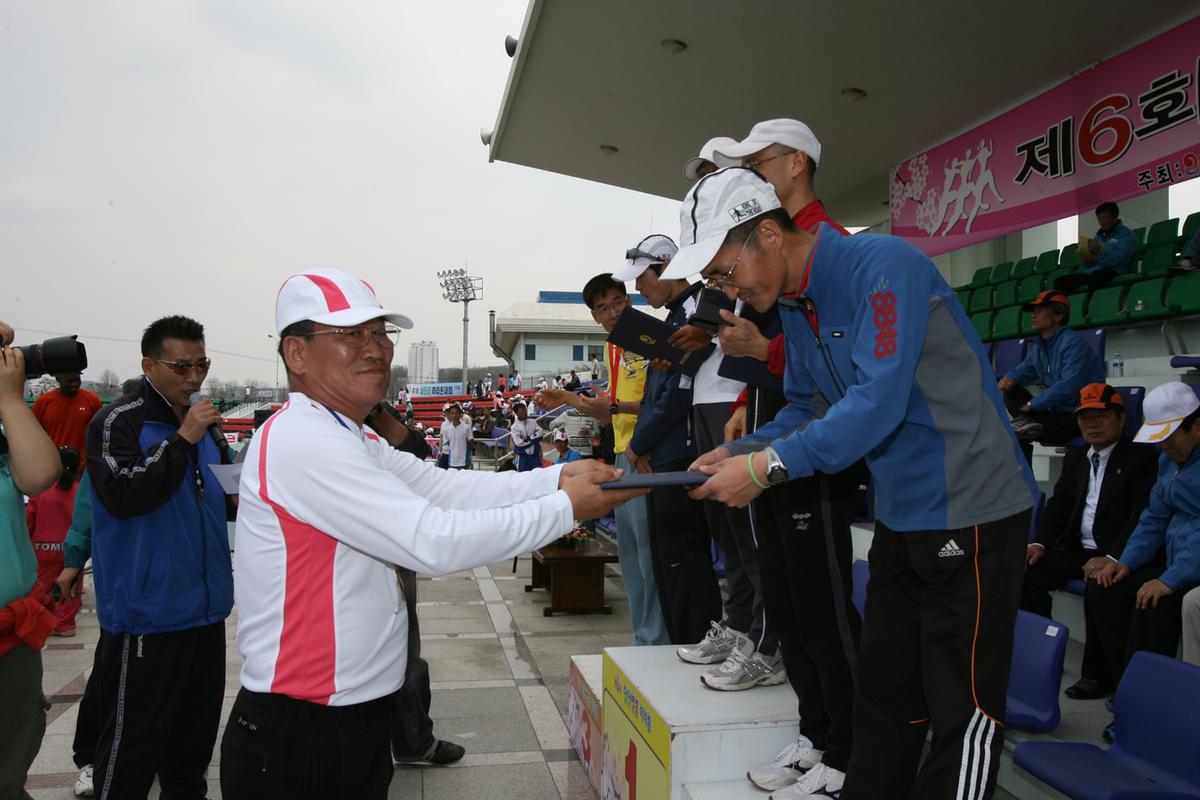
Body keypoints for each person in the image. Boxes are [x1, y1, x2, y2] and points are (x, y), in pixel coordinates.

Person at [666, 167, 1037, 799]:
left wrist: (763, 469)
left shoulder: (880, 265)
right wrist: (741, 447)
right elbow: (808, 407)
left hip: (973, 511)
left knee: (963, 710)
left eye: (726, 273)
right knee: (885, 694)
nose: (726, 291)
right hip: (905, 515)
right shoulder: (794, 303)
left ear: (768, 235)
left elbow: (875, 405)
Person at [220, 268, 639, 800]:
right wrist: (563, 507)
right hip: (304, 726)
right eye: (351, 335)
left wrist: (556, 477)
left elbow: (441, 488)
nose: (375, 349)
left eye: (379, 334)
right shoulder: (304, 440)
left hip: (349, 714)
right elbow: (432, 538)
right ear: (296, 354)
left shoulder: (346, 433)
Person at [705, 118, 864, 794]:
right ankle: (819, 734)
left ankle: (849, 751)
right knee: (793, 613)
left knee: (825, 612)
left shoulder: (836, 254)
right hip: (779, 445)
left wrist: (759, 364)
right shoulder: (778, 272)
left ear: (797, 163)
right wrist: (746, 436)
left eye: (758, 163)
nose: (746, 178)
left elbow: (849, 386)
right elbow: (800, 380)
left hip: (815, 465)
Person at [85, 315, 234, 800]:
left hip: (206, 612)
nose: (195, 377)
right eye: (182, 366)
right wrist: (182, 438)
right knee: (130, 754)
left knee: (191, 758)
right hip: (147, 618)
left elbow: (226, 497)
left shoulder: (208, 428)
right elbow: (123, 494)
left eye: (202, 364)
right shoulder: (116, 422)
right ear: (149, 365)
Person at [537, 274, 670, 646]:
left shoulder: (651, 339)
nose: (612, 313)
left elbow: (662, 404)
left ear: (630, 301)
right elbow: (608, 411)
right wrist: (567, 398)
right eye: (602, 308)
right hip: (621, 455)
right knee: (630, 557)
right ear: (595, 317)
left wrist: (613, 408)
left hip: (648, 455)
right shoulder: (614, 347)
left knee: (649, 559)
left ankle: (658, 639)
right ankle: (643, 637)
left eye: (618, 302)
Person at [618, 234, 723, 645]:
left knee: (684, 559)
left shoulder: (699, 311)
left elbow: (677, 392)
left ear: (665, 267)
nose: (639, 288)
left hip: (682, 451)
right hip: (665, 449)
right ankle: (684, 642)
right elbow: (656, 391)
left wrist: (639, 442)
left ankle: (696, 640)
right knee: (669, 561)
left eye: (642, 278)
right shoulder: (675, 317)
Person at [1020, 384, 1157, 700]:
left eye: (1101, 416)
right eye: (1085, 418)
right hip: (1076, 548)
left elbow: (1142, 515)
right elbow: (1060, 504)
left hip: (1115, 551)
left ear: (1122, 418)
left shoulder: (1142, 458)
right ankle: (1041, 657)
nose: (1092, 424)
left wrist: (1112, 556)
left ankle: (1099, 677)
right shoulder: (1077, 456)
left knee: (1102, 586)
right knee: (1024, 570)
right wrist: (1039, 543)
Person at [1091, 382, 1200, 736]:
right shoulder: (1169, 461)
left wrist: (1171, 579)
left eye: (1171, 436)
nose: (1164, 445)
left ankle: (1152, 713)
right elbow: (1153, 517)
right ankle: (1130, 691)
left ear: (1196, 426)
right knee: (1108, 588)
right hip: (1174, 561)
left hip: (1190, 568)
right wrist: (1125, 562)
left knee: (1153, 606)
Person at [0, 326, 63, 800]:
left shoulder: (5, 424)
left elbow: (40, 474)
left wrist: (11, 402)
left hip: (10, 634)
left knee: (14, 752)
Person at [999, 289, 1106, 452]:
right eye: (1033, 311)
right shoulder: (1040, 345)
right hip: (1054, 413)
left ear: (1058, 316)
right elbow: (1026, 368)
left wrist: (1031, 404)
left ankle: (1026, 423)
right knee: (1012, 391)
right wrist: (1009, 379)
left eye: (1039, 311)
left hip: (1077, 416)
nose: (1033, 315)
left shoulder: (1074, 344)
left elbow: (1067, 386)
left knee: (1018, 435)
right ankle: (1027, 424)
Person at [26, 446, 83, 637]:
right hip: (73, 551)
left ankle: (44, 622)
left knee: (43, 589)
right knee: (71, 589)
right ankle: (65, 624)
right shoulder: (81, 492)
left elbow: (28, 520)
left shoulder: (41, 491)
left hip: (43, 549)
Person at [1054, 201, 1138, 293]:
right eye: (1099, 219)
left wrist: (1095, 258)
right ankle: (1067, 306)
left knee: (1096, 278)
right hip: (1093, 272)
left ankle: (1090, 306)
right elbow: (1090, 263)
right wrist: (1086, 259)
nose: (1102, 222)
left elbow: (1117, 259)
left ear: (1115, 216)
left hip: (1115, 271)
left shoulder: (1126, 235)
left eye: (1105, 218)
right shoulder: (1098, 237)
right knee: (1060, 282)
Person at [32, 370, 102, 470]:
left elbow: (99, 434)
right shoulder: (43, 402)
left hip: (83, 468)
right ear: (58, 379)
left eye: (77, 379)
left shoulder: (93, 401)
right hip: (52, 467)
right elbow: (35, 435)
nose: (74, 384)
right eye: (69, 381)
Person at [510, 400, 542, 471]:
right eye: (523, 413)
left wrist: (529, 438)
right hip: (523, 458)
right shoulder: (514, 427)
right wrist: (534, 438)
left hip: (535, 457)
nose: (525, 414)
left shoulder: (532, 422)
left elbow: (541, 433)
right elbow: (519, 443)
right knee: (523, 477)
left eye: (526, 412)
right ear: (516, 413)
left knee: (538, 476)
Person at [439, 402, 472, 470]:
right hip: (448, 456)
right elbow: (443, 439)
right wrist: (440, 450)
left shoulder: (465, 427)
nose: (452, 415)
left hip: (462, 459)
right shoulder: (445, 426)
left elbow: (470, 442)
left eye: (455, 413)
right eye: (447, 412)